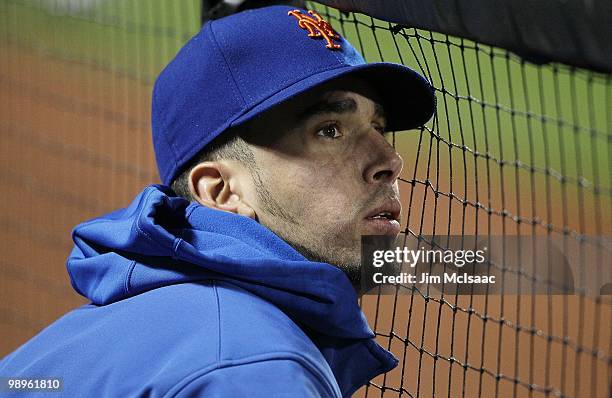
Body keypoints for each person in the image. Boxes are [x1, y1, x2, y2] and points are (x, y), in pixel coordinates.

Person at [0, 5, 434, 397]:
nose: (389, 160)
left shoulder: (83, 340)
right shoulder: (254, 368)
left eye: (379, 127)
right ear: (221, 191)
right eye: (329, 131)